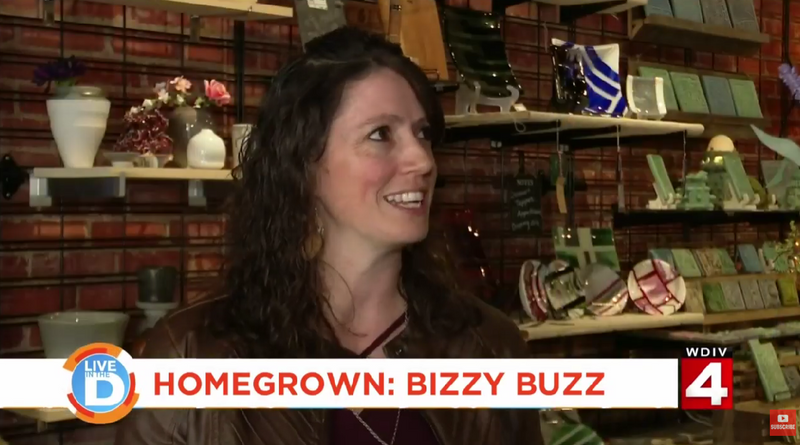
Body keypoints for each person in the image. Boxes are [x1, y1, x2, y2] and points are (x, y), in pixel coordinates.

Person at [115, 26, 543, 445]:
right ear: (304, 165)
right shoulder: (190, 353)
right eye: (380, 134)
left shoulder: (491, 346)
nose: (423, 161)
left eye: (423, 133)